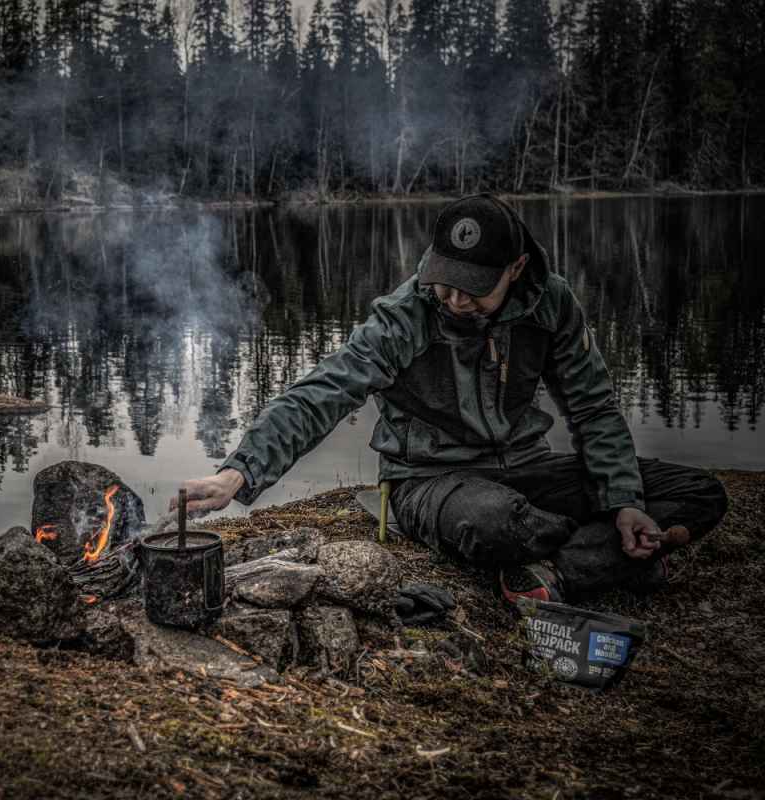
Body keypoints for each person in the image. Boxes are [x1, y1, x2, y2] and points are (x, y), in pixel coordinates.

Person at [172, 194, 727, 604]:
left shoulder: (551, 304)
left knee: (698, 494)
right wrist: (237, 473)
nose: (456, 298)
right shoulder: (404, 316)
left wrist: (624, 497)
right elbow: (320, 394)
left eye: (474, 286)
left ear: (516, 269)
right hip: (429, 481)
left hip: (527, 466)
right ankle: (617, 560)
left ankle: (555, 571)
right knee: (498, 521)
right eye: (446, 281)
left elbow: (594, 407)